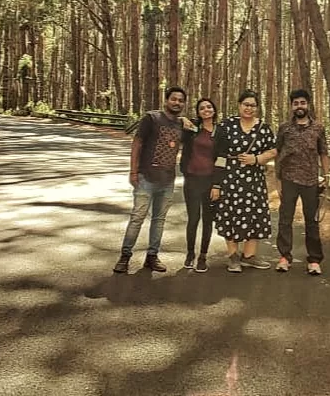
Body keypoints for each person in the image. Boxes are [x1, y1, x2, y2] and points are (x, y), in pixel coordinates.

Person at [113, 87, 187, 274]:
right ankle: (125, 256)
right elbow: (137, 143)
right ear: (166, 100)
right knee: (137, 218)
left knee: (159, 220)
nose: (177, 103)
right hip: (146, 177)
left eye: (180, 100)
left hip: (167, 180)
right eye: (174, 99)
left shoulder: (181, 125)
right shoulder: (151, 118)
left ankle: (152, 257)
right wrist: (133, 172)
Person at [211, 90, 278, 273]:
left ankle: (249, 256)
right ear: (239, 105)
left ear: (257, 108)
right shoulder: (227, 125)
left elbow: (273, 151)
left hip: (254, 180)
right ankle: (233, 256)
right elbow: (218, 154)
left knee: (254, 215)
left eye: (252, 105)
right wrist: (216, 182)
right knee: (230, 214)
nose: (249, 108)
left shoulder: (263, 128)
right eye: (245, 104)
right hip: (230, 178)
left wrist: (256, 159)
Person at [274, 88, 329, 275]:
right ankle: (284, 257)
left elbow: (324, 153)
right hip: (288, 178)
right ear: (292, 106)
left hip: (310, 180)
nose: (299, 106)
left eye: (302, 103)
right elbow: (278, 153)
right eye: (296, 103)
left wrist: (327, 176)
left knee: (311, 222)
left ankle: (314, 260)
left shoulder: (318, 128)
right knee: (285, 219)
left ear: (308, 105)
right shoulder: (284, 128)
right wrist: (278, 180)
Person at [179, 97, 219, 272]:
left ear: (214, 110)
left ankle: (203, 256)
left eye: (209, 107)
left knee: (208, 220)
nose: (206, 110)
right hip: (192, 180)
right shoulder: (192, 129)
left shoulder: (220, 131)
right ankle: (190, 254)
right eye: (202, 108)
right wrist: (181, 119)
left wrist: (217, 185)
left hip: (210, 181)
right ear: (198, 112)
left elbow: (223, 158)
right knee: (193, 219)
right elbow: (169, 121)